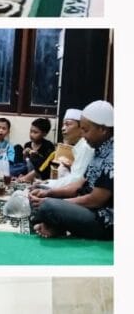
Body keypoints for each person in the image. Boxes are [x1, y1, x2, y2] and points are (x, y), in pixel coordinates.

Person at [31, 100, 113, 240]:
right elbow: (77, 185)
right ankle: (53, 225)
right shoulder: (99, 150)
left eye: (86, 130)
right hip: (85, 206)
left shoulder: (113, 156)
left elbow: (95, 200)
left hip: (102, 218)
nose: (83, 134)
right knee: (40, 198)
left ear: (103, 130)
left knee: (49, 206)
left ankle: (51, 224)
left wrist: (54, 202)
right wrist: (47, 192)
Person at [28, 108, 94, 208]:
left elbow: (75, 181)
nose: (63, 128)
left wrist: (47, 186)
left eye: (68, 124)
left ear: (82, 127)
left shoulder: (86, 147)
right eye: (63, 125)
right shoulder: (79, 147)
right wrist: (46, 183)